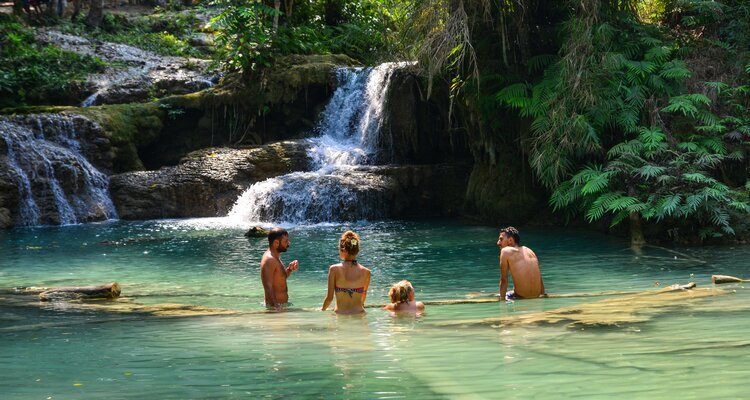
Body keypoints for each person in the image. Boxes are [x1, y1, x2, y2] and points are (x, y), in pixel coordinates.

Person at [322, 230, 371, 314]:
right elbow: (363, 298)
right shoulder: (366, 272)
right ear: (357, 251)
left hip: (340, 314)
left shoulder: (334, 269)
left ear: (343, 250)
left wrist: (322, 310)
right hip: (359, 314)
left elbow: (329, 298)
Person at [497, 226, 545, 300]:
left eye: (501, 239)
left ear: (510, 240)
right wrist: (543, 295)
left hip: (521, 297)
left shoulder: (505, 251)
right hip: (537, 296)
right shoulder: (530, 251)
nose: (498, 243)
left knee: (498, 295)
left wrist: (501, 300)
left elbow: (504, 280)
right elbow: (540, 279)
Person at [260, 227, 299, 309]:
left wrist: (289, 269)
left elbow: (280, 278)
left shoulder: (276, 257)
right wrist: (276, 309)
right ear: (276, 243)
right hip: (275, 308)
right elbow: (268, 287)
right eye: (285, 241)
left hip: (280, 307)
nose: (288, 244)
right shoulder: (269, 260)